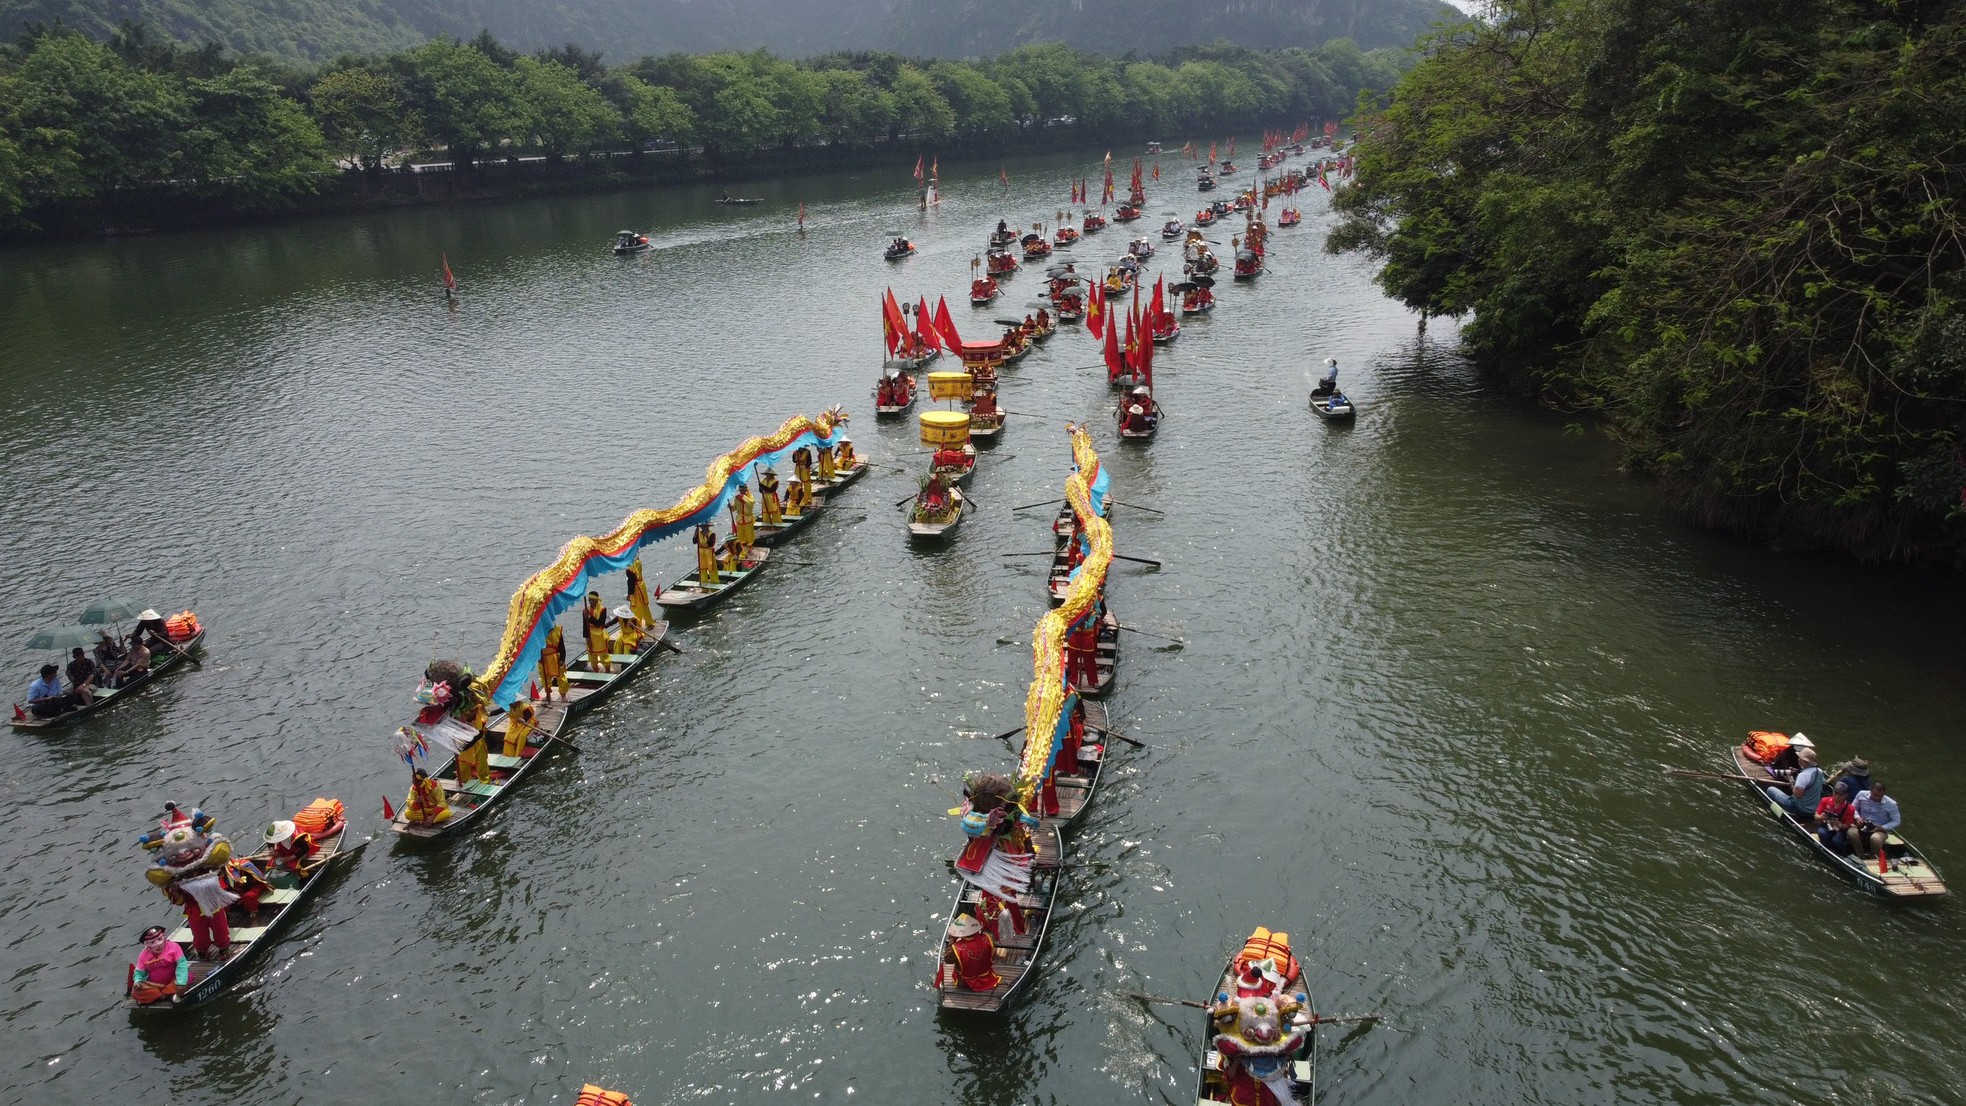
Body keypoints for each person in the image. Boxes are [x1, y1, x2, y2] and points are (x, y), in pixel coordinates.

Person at [129, 925, 189, 1004]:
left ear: (164, 937)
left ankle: (159, 995)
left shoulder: (174, 947)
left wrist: (181, 982)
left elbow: (182, 965)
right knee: (135, 991)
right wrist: (137, 981)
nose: (158, 944)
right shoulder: (143, 955)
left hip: (172, 981)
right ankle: (162, 996)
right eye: (153, 942)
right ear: (147, 945)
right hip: (154, 985)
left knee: (184, 982)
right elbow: (139, 972)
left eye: (160, 939)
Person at [942, 913, 1000, 992]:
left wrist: (952, 940)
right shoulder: (987, 938)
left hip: (966, 982)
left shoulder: (956, 948)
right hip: (986, 977)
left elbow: (947, 960)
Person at [1763, 744, 1823, 820]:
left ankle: (1783, 811)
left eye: (1800, 758)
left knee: (1770, 789)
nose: (1798, 759)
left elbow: (1798, 795)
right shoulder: (1820, 772)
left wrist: (1792, 782)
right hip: (1814, 809)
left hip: (1799, 808)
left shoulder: (1803, 775)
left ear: (1805, 761)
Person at [1846, 781, 1901, 861]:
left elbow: (1897, 821)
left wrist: (1882, 827)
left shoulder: (1891, 804)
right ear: (1870, 790)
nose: (1876, 798)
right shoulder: (1861, 794)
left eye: (1880, 796)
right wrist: (1857, 817)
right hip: (1862, 825)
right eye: (1874, 795)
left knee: (1875, 839)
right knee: (1851, 833)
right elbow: (1853, 808)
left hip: (1879, 829)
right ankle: (1861, 856)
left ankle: (1874, 859)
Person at [1813, 780, 1858, 854]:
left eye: (1840, 794)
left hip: (1839, 830)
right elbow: (1816, 816)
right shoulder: (1825, 800)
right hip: (1826, 826)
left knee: (1836, 841)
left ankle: (1840, 854)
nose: (1837, 796)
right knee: (1822, 833)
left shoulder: (1850, 808)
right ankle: (1826, 850)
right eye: (1835, 793)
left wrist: (1839, 825)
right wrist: (1821, 817)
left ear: (1846, 795)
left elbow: (1847, 825)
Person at [582, 591, 616, 673]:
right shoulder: (585, 610)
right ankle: (595, 669)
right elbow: (585, 625)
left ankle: (607, 670)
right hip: (590, 634)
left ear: (597, 600)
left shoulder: (603, 610)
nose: (591, 602)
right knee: (592, 655)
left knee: (603, 654)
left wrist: (589, 616)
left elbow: (599, 624)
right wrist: (587, 638)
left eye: (593, 600)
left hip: (599, 635)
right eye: (590, 600)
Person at [538, 624, 570, 702]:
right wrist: (539, 657)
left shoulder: (557, 631)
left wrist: (562, 659)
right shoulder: (538, 632)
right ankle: (548, 694)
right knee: (544, 677)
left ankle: (563, 695)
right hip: (543, 658)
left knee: (561, 677)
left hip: (555, 657)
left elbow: (562, 646)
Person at [625, 557, 656, 626]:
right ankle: (649, 622)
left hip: (637, 589)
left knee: (636, 607)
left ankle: (637, 624)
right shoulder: (638, 562)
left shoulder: (631, 567)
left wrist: (629, 594)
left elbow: (631, 581)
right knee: (644, 606)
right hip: (641, 585)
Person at [692, 522, 720, 586]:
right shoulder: (699, 533)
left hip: (709, 552)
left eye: (704, 526)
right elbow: (694, 541)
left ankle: (714, 584)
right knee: (702, 569)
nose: (703, 528)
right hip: (701, 553)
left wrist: (706, 536)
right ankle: (704, 586)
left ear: (707, 527)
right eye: (702, 527)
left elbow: (711, 544)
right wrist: (695, 534)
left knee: (712, 569)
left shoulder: (712, 534)